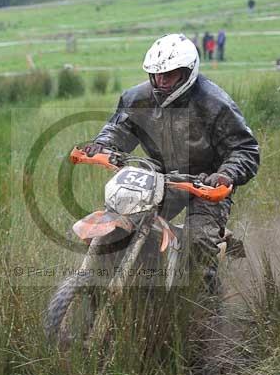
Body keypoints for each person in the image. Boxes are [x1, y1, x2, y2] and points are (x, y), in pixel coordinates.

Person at [82, 32, 259, 309]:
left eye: (170, 75)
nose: (162, 82)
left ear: (188, 72)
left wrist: (226, 175)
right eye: (157, 75)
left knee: (197, 240)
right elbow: (119, 129)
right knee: (119, 223)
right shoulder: (137, 97)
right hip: (159, 175)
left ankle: (206, 308)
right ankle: (127, 286)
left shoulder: (215, 103)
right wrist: (102, 145)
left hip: (205, 183)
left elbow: (245, 150)